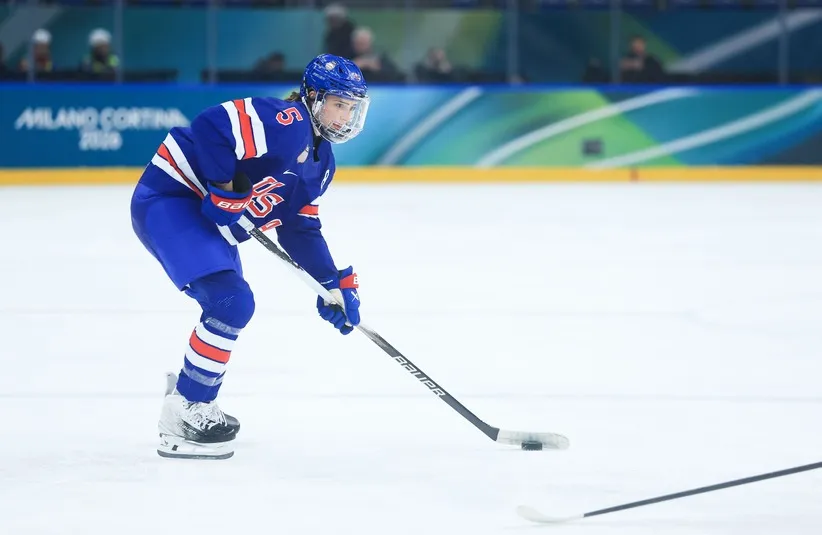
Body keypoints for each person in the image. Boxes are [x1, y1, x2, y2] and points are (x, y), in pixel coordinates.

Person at [130, 54, 370, 460]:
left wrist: (330, 282)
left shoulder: (322, 163)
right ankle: (185, 409)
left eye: (351, 107)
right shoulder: (285, 122)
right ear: (312, 97)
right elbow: (210, 126)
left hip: (207, 221)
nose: (344, 115)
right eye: (337, 103)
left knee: (231, 303)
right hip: (171, 198)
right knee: (231, 302)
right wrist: (224, 186)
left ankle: (190, 396)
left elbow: (299, 227)